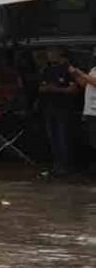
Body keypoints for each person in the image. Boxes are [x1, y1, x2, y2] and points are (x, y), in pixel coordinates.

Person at [39, 47, 82, 177]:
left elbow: (74, 90)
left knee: (64, 137)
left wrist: (55, 89)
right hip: (49, 108)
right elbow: (41, 88)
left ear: (60, 54)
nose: (49, 55)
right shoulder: (47, 70)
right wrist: (48, 88)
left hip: (64, 109)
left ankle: (66, 166)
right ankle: (56, 165)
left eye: (51, 52)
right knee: (53, 138)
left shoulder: (69, 69)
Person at [69, 48, 96, 174]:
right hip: (91, 111)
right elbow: (86, 84)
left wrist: (80, 73)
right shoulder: (93, 69)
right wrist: (75, 75)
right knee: (92, 141)